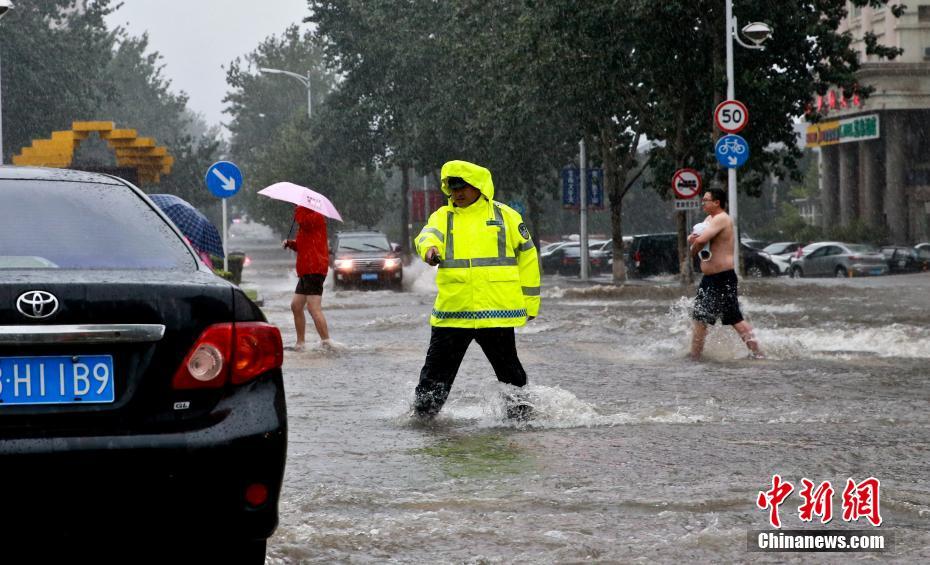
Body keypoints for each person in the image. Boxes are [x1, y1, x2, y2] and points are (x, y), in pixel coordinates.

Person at [412, 160, 541, 419]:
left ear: (478, 187)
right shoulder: (442, 217)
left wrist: (530, 304)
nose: (457, 193)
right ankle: (423, 421)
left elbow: (528, 258)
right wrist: (429, 249)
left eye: (463, 187)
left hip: (495, 313)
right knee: (434, 378)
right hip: (454, 312)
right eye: (452, 188)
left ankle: (523, 423)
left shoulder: (506, 216)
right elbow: (426, 236)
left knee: (511, 377)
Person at [687, 188, 764, 360]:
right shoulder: (709, 219)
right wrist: (691, 240)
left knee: (735, 318)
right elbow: (694, 236)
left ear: (717, 202)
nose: (703, 203)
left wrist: (692, 251)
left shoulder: (722, 219)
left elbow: (700, 240)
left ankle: (758, 354)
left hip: (723, 277)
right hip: (709, 278)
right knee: (700, 318)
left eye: (706, 200)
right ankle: (695, 355)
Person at [283, 205, 333, 351]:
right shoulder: (304, 223)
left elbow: (304, 222)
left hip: (315, 268)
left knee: (313, 308)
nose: (295, 210)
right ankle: (300, 343)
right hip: (305, 270)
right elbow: (302, 245)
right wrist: (290, 244)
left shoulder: (315, 217)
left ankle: (327, 342)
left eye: (298, 208)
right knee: (296, 306)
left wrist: (299, 212)